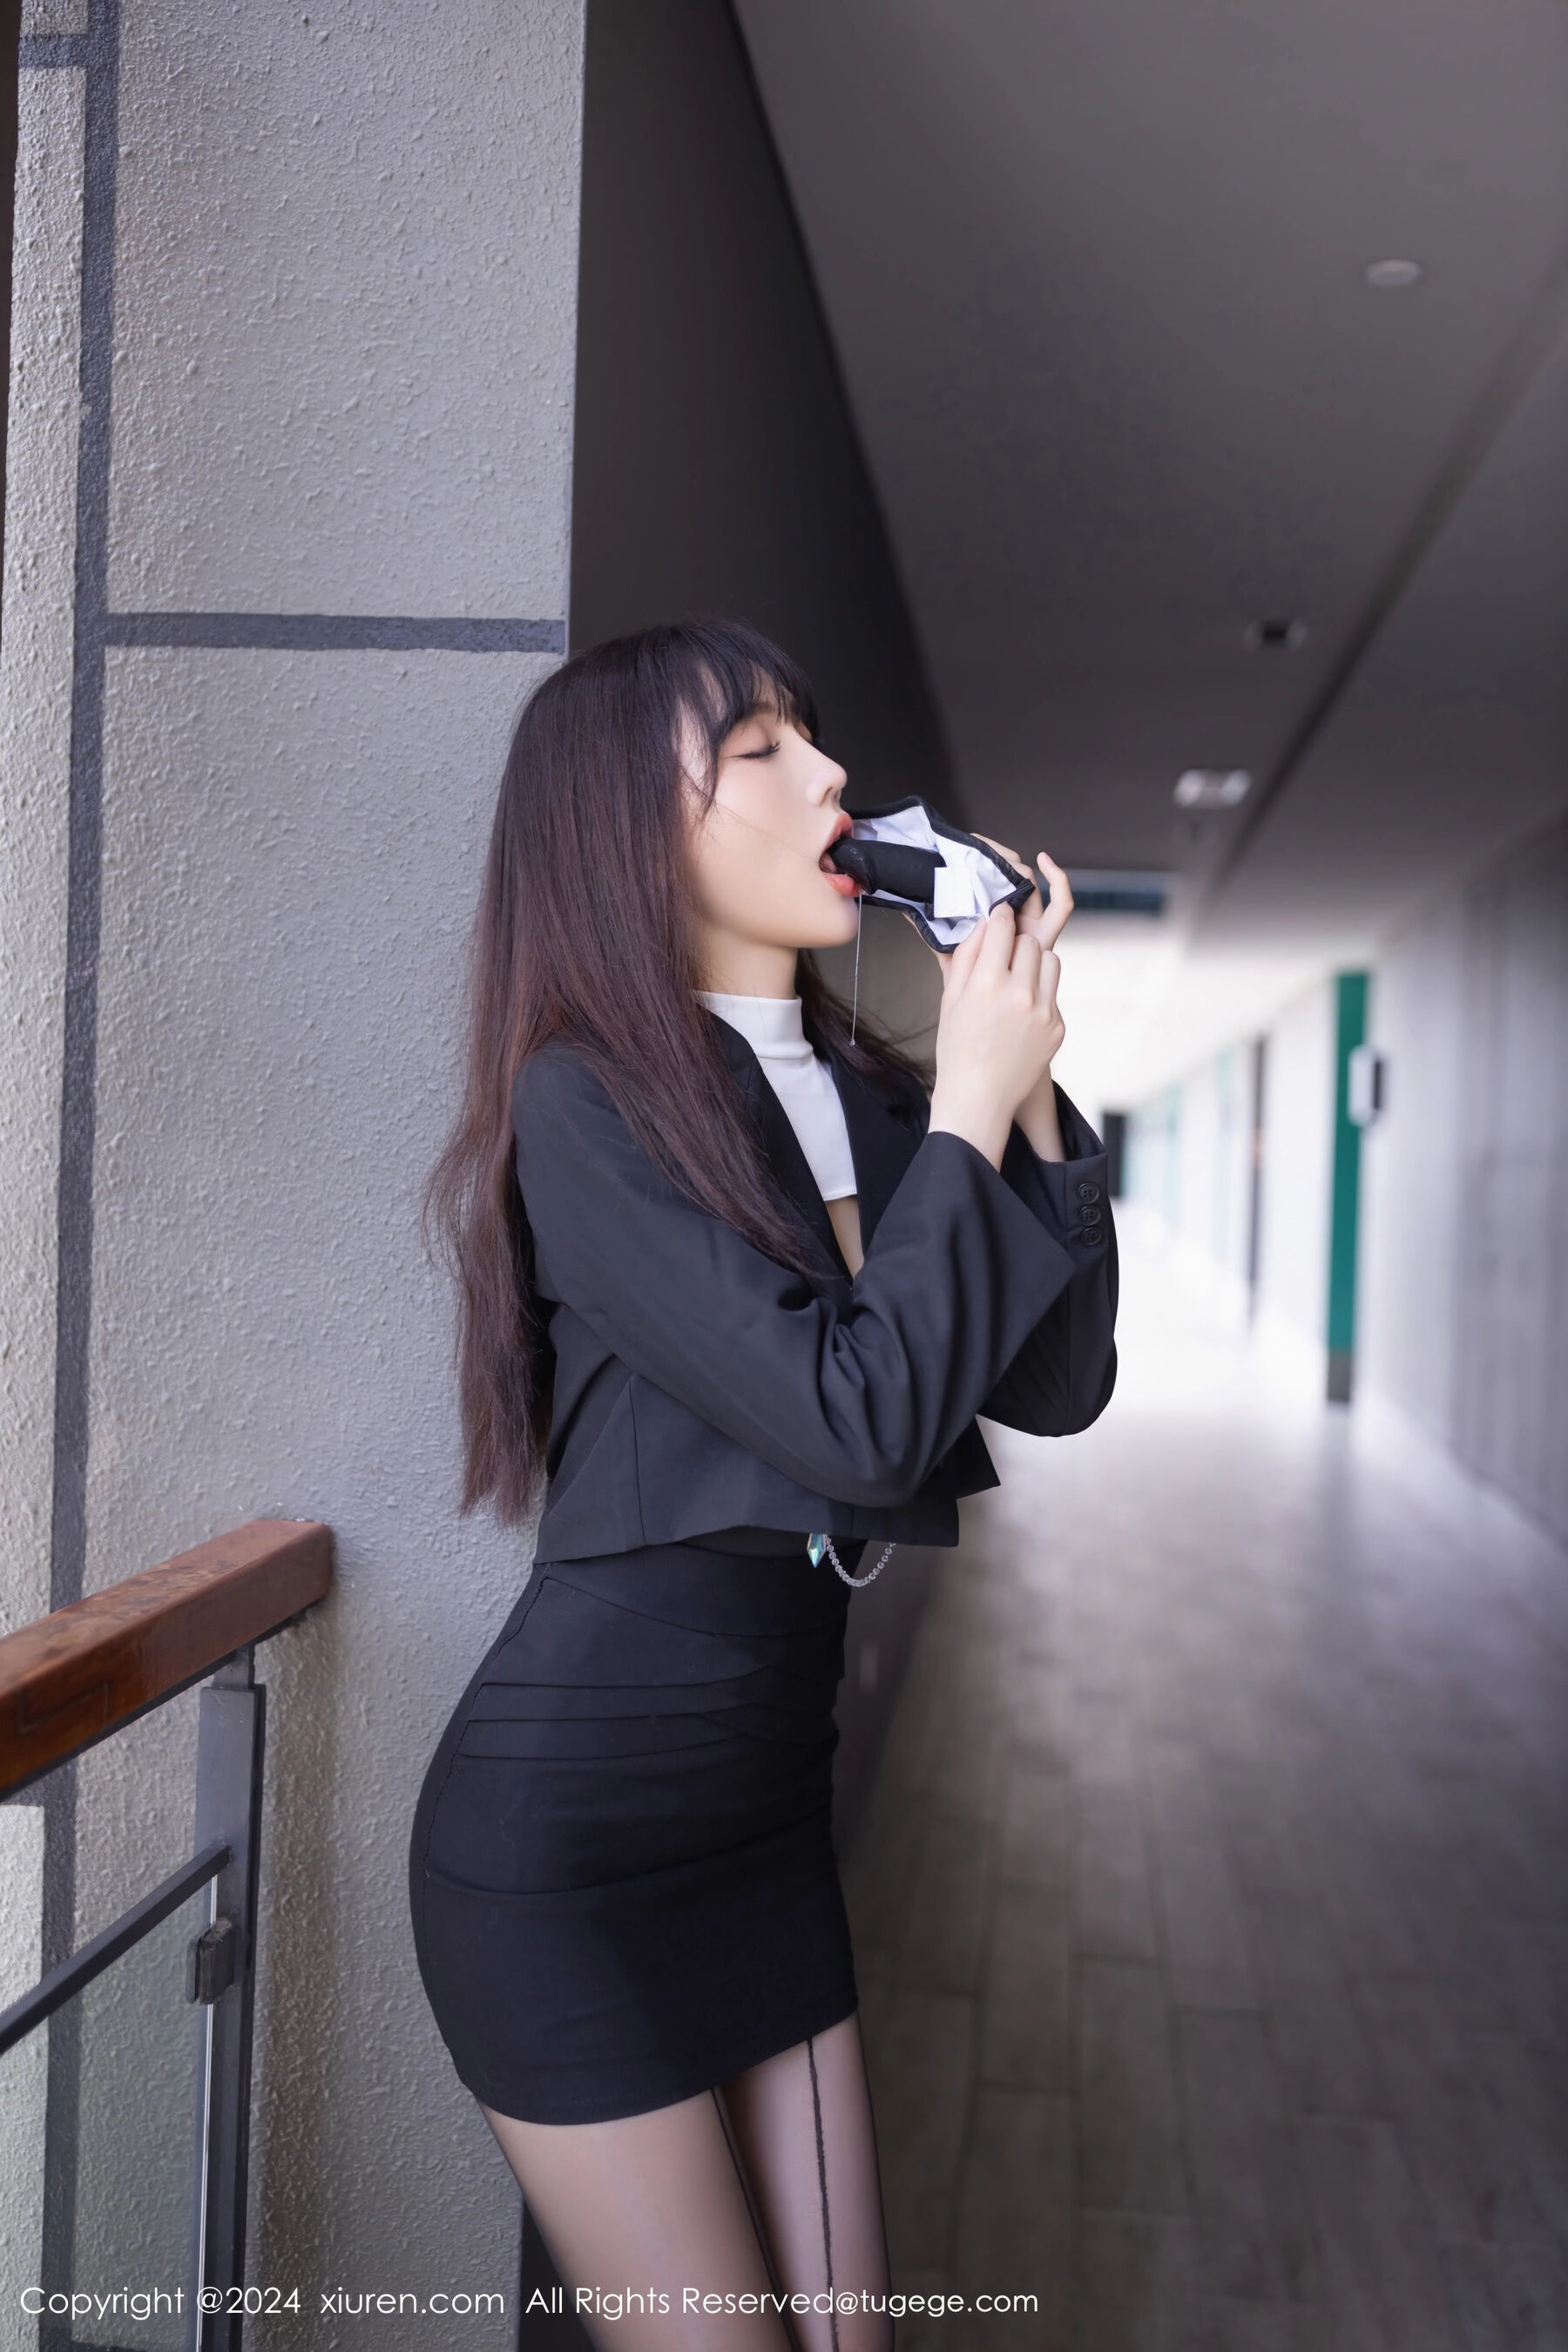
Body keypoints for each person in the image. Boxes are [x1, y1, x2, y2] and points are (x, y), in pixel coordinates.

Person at [408, 618, 1117, 2350]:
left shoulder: (870, 1091)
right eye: (761, 749)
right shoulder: (588, 1106)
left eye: (814, 735)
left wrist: (1018, 1095)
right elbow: (855, 1422)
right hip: (569, 1849)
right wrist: (967, 1113)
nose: (832, 777)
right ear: (627, 826)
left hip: (769, 1820)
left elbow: (1059, 1382)